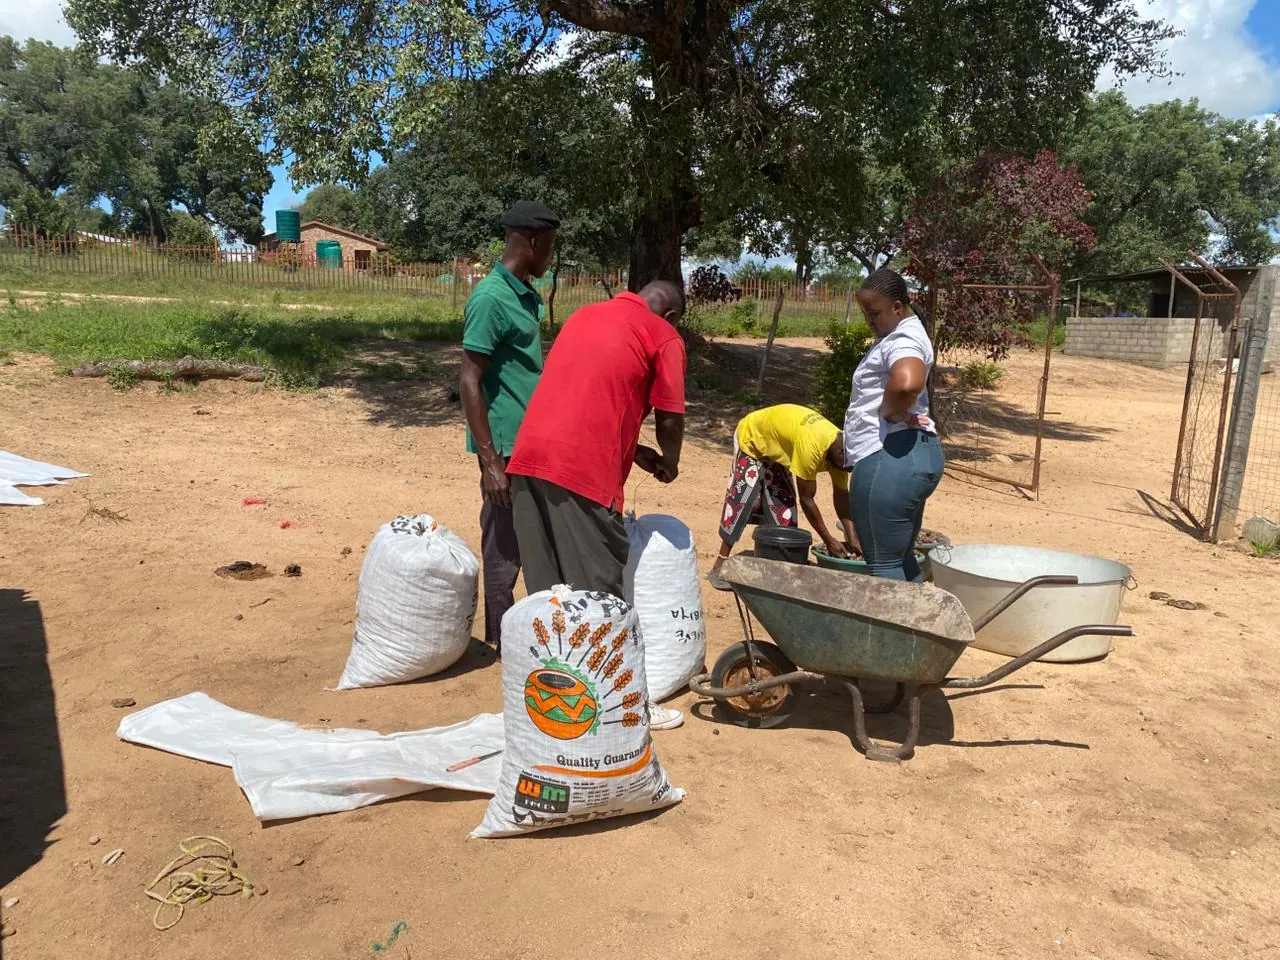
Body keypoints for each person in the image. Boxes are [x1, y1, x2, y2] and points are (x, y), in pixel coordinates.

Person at [506, 281, 687, 730]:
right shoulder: (662, 336)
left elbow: (590, 395)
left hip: (528, 460)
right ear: (673, 315)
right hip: (583, 474)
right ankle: (622, 707)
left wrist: (634, 451)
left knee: (550, 594)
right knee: (599, 595)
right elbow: (670, 414)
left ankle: (554, 705)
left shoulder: (585, 315)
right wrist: (670, 460)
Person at [458, 200, 560, 653]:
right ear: (533, 241)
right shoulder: (490, 298)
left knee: (529, 538)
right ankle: (499, 640)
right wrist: (490, 462)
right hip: (505, 448)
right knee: (503, 546)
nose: (552, 256)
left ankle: (522, 634)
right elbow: (469, 379)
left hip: (530, 442)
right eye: (551, 246)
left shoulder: (523, 293)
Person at [844, 267, 943, 581]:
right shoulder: (906, 334)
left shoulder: (903, 339)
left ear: (898, 307)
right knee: (900, 559)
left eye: (875, 313)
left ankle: (891, 631)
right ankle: (915, 627)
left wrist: (888, 411)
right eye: (865, 314)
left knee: (884, 566)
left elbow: (906, 383)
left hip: (888, 458)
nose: (869, 321)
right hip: (915, 455)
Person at [709, 404, 855, 584]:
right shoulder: (813, 447)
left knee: (784, 510)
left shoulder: (845, 451)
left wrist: (853, 539)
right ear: (840, 453)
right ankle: (720, 562)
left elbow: (842, 498)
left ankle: (778, 561)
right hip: (753, 438)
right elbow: (807, 500)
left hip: (778, 449)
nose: (848, 471)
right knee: (742, 502)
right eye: (847, 467)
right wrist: (829, 540)